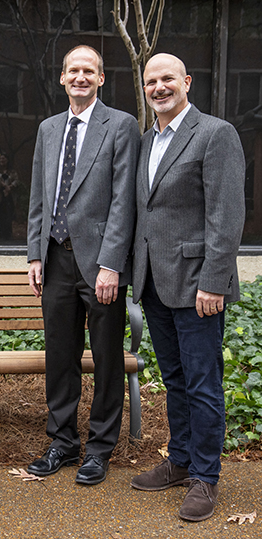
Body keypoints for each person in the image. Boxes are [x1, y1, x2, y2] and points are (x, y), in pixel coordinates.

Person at [129, 53, 245, 522]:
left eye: (167, 79)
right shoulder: (145, 141)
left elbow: (226, 214)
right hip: (155, 281)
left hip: (198, 285)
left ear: (186, 82)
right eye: (151, 81)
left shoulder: (216, 134)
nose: (159, 87)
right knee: (174, 380)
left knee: (202, 384)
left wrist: (214, 281)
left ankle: (205, 477)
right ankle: (179, 460)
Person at [26, 45, 139, 485]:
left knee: (108, 358)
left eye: (88, 71)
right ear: (61, 77)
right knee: (60, 356)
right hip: (55, 259)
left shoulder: (121, 126)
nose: (80, 77)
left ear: (101, 78)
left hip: (100, 265)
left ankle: (99, 449)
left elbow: (123, 202)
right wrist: (35, 253)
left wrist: (111, 264)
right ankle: (62, 442)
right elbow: (39, 196)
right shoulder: (49, 129)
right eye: (73, 70)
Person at [0, 153, 19, 240]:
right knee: (1, 216)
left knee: (9, 215)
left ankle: (9, 234)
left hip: (9, 196)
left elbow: (16, 180)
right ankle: (2, 235)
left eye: (3, 159)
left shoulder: (12, 172)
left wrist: (10, 188)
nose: (2, 161)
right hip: (0, 196)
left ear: (7, 160)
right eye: (0, 159)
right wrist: (5, 186)